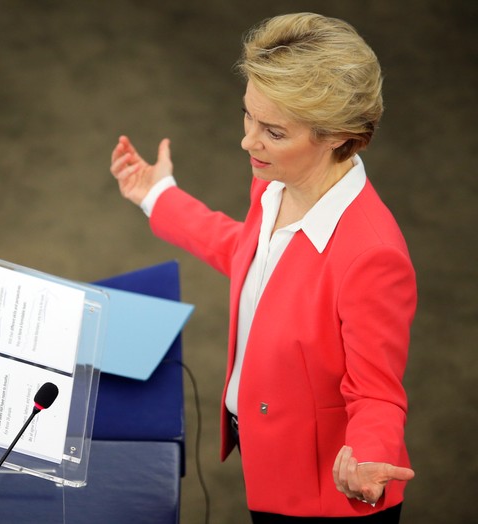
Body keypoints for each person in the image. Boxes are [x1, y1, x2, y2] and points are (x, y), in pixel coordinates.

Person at [110, 13, 417, 523]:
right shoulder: (275, 185)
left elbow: (377, 393)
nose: (248, 141)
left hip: (324, 498)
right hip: (268, 457)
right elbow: (248, 255)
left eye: (273, 131)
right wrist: (157, 197)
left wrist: (367, 459)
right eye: (248, 117)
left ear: (338, 135)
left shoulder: (373, 256)